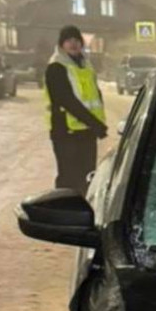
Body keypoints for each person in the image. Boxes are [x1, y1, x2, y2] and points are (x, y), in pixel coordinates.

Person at [44, 25, 108, 193]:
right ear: (61, 44)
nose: (73, 44)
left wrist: (96, 124)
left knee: (87, 177)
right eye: (68, 40)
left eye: (76, 40)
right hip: (66, 132)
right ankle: (66, 214)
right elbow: (66, 100)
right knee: (69, 180)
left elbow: (95, 96)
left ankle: (85, 212)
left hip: (87, 132)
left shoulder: (86, 66)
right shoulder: (56, 67)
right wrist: (95, 123)